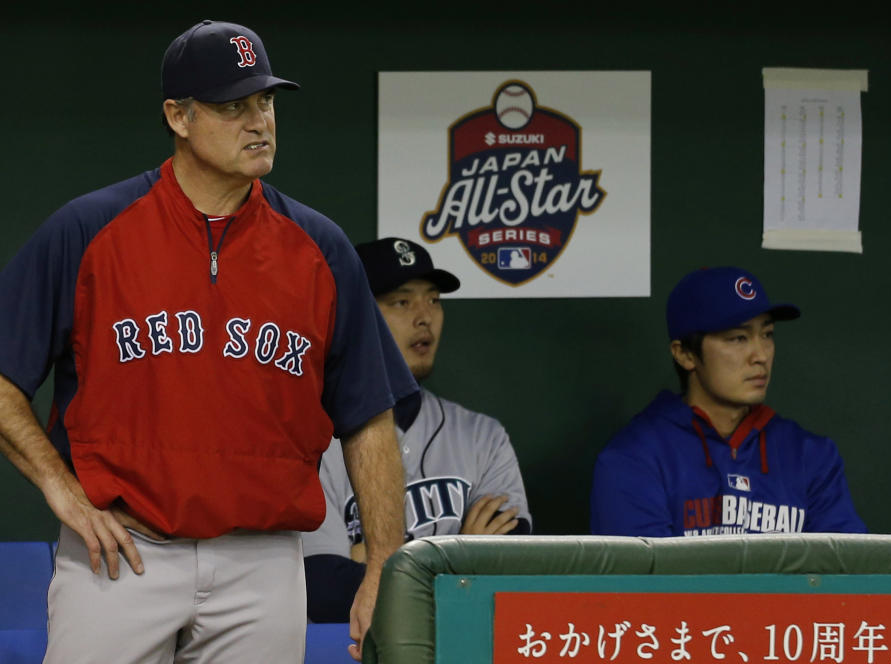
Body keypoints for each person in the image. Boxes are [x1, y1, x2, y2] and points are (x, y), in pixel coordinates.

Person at [0, 20, 415, 663]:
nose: (259, 122)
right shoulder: (89, 231)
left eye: (266, 102)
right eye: (232, 106)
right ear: (179, 116)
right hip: (121, 555)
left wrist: (384, 565)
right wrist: (60, 487)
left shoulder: (319, 247)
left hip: (265, 564)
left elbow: (369, 417)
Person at [302, 237, 532, 622]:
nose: (424, 316)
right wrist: (458, 560)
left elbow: (508, 565)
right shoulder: (310, 439)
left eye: (434, 299)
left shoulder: (483, 437)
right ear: (353, 315)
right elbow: (325, 589)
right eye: (401, 302)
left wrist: (373, 559)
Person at [590, 266, 866, 537]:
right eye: (738, 338)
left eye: (767, 335)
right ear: (685, 354)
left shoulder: (810, 455)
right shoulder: (634, 459)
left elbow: (847, 573)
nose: (760, 355)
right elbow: (645, 581)